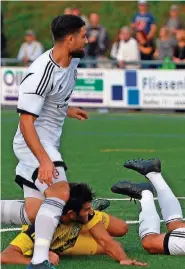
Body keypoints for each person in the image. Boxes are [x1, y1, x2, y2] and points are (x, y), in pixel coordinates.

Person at [0, 14, 90, 269]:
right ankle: (39, 261)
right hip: (34, 141)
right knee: (61, 192)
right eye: (83, 36)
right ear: (70, 39)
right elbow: (26, 123)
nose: (87, 41)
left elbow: (54, 100)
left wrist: (67, 109)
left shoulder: (72, 60)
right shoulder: (39, 73)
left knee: (33, 212)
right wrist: (44, 160)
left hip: (47, 141)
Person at [1, 183, 146, 267]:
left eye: (89, 209)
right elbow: (6, 256)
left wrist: (124, 259)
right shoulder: (40, 225)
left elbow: (107, 240)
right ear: (71, 213)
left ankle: (86, 225)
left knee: (122, 228)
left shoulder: (86, 215)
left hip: (73, 224)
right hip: (60, 242)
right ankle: (85, 229)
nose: (90, 213)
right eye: (86, 209)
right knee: (106, 248)